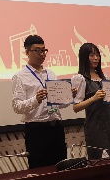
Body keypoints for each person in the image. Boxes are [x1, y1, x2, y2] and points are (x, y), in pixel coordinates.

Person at [12, 34, 73, 169]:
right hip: (36, 131)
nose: (42, 54)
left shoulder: (50, 73)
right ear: (27, 52)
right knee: (40, 170)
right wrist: (36, 100)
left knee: (62, 168)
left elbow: (58, 104)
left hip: (56, 127)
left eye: (44, 50)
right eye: (37, 50)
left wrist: (68, 97)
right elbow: (17, 106)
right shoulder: (20, 76)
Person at [72, 43, 110, 159]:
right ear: (84, 57)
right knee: (100, 160)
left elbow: (108, 106)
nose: (96, 58)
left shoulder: (104, 76)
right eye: (92, 55)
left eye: (97, 55)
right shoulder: (80, 78)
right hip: (95, 126)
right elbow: (76, 107)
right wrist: (93, 98)